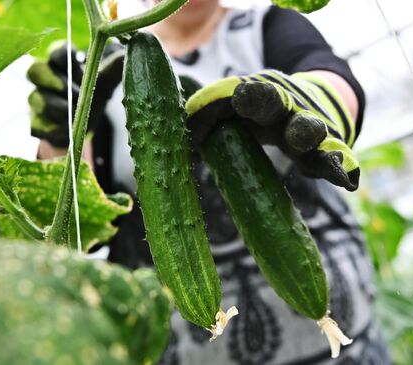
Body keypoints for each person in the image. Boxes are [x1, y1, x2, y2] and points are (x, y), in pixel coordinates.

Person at [28, 0, 391, 363]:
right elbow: (83, 219)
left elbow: (332, 79)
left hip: (347, 348)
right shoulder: (101, 65)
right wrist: (60, 138)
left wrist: (315, 101)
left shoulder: (265, 24)